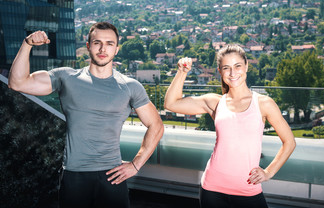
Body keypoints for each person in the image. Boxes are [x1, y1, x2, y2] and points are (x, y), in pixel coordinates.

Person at [8, 22, 164, 208]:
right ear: (88, 46)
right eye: (97, 42)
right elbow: (17, 83)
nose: (103, 48)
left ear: (116, 49)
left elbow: (156, 125)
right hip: (74, 176)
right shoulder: (66, 78)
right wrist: (27, 44)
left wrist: (136, 164)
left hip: (112, 175)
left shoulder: (130, 86)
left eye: (109, 43)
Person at [164, 44, 296, 208]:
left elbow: (289, 141)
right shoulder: (215, 102)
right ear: (220, 71)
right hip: (212, 189)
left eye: (237, 66)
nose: (233, 73)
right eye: (226, 68)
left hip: (248, 190)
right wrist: (182, 72)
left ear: (246, 66)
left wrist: (269, 172)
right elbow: (170, 104)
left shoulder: (264, 103)